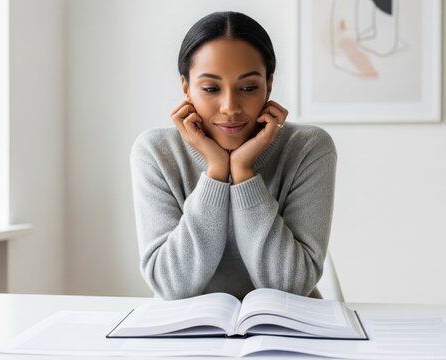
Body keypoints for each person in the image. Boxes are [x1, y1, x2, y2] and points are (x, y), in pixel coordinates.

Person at [130, 11, 337, 300]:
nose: (230, 106)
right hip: (188, 336)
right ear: (186, 88)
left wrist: (243, 173)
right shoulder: (155, 153)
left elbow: (291, 285)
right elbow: (170, 284)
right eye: (211, 88)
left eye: (249, 88)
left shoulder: (308, 148)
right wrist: (216, 171)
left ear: (269, 85)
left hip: (287, 333)